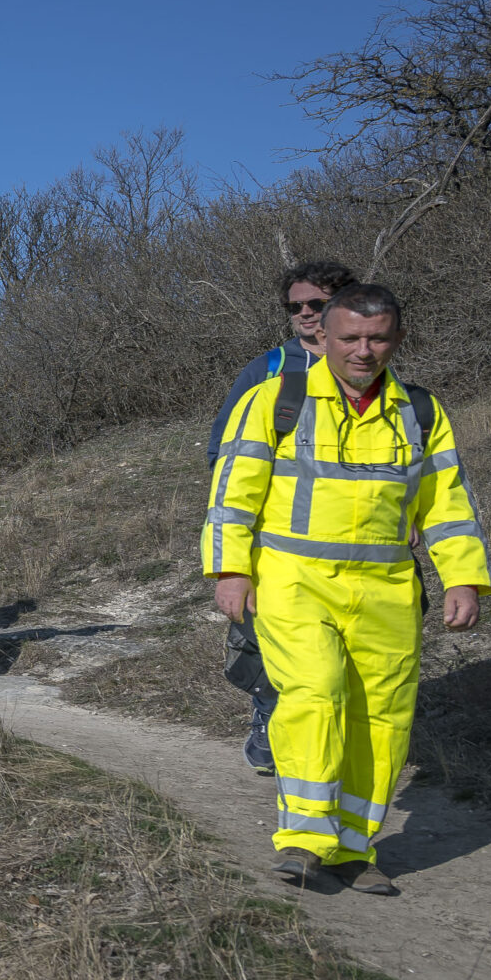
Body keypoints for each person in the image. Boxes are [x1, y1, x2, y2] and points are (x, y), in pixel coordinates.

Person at [205, 282, 491, 894]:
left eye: (377, 338)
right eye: (350, 338)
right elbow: (233, 491)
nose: (363, 351)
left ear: (397, 339)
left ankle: (354, 848)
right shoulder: (275, 399)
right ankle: (305, 840)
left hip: (387, 588)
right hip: (294, 580)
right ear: (323, 336)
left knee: (382, 715)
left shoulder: (421, 410)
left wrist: (463, 577)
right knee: (315, 693)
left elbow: (447, 502)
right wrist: (230, 570)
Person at [206, 259, 356, 776]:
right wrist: (234, 546)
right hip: (279, 544)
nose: (306, 313)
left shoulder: (372, 367)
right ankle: (269, 718)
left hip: (359, 545)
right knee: (271, 642)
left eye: (317, 303)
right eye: (296, 306)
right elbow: (224, 455)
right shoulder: (269, 370)